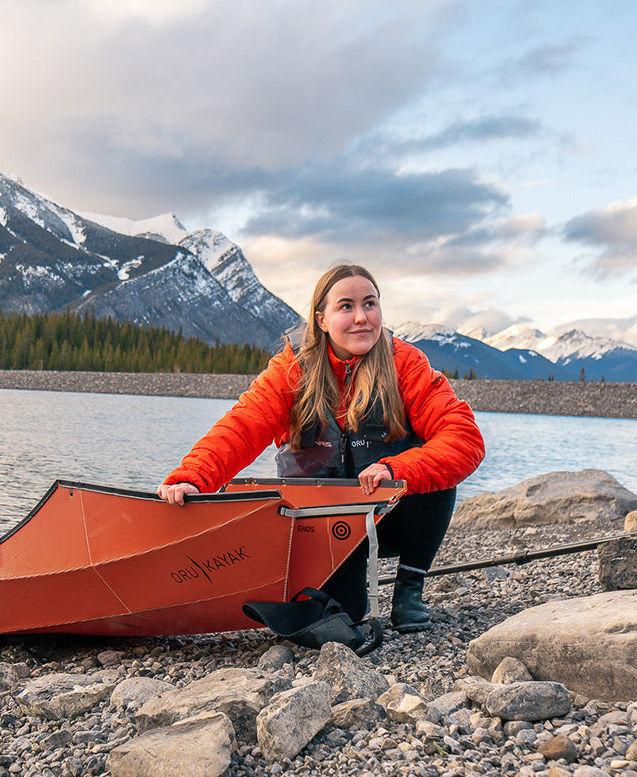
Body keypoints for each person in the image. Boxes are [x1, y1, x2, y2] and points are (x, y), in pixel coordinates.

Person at [157, 263, 485, 631]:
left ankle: (410, 588)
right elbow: (242, 426)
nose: (362, 317)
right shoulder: (291, 369)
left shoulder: (405, 364)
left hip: (388, 515)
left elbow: (464, 438)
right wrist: (192, 478)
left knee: (437, 471)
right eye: (346, 306)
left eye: (370, 304)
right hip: (324, 523)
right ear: (322, 320)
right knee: (348, 613)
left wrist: (398, 469)